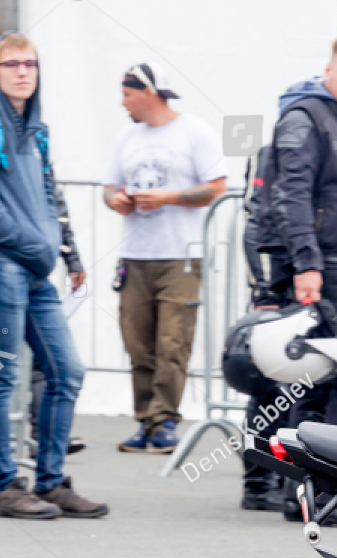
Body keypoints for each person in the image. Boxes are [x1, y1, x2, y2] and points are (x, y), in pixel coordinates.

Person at [0, 32, 105, 520]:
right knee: (1, 376)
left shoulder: (36, 130)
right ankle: (4, 487)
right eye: (11, 64)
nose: (22, 71)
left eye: (30, 64)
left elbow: (49, 199)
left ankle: (50, 481)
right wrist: (37, 247)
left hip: (35, 269)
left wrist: (67, 253)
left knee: (68, 372)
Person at [256, 34, 337, 528]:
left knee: (323, 382)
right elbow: (291, 195)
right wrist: (307, 263)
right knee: (332, 381)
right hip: (325, 267)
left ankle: (308, 495)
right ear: (328, 71)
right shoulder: (307, 117)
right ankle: (323, 497)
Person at [102, 63, 227, 455]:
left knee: (172, 341)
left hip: (181, 255)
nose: (123, 103)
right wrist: (117, 201)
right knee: (137, 341)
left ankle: (165, 421)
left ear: (148, 92)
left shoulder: (195, 132)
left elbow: (217, 187)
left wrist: (167, 198)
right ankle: (145, 419)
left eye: (127, 94)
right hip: (136, 254)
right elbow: (107, 189)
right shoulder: (126, 138)